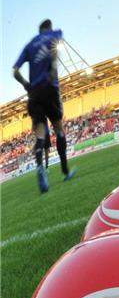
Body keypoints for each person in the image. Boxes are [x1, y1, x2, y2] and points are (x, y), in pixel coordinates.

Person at [12, 19, 77, 193]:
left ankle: (41, 171)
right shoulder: (54, 34)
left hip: (34, 93)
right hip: (50, 88)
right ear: (48, 27)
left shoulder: (29, 45)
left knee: (39, 137)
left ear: (38, 29)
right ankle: (65, 171)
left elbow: (14, 71)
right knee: (59, 130)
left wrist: (26, 84)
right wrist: (52, 68)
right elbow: (56, 49)